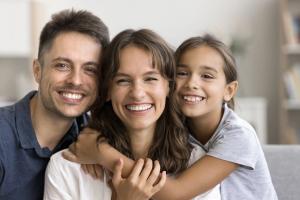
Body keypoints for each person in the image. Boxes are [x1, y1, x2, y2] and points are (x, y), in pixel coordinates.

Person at [64, 34, 278, 200]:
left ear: (229, 90)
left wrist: (103, 154)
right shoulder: (179, 127)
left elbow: (176, 193)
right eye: (183, 73)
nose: (192, 83)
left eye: (207, 76)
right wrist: (93, 134)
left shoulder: (239, 135)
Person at [44, 29, 221, 200]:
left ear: (169, 86)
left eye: (150, 79)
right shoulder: (66, 167)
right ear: (107, 91)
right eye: (123, 80)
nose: (137, 93)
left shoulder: (196, 166)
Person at [0, 9, 109, 200]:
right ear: (37, 70)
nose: (76, 80)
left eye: (90, 69)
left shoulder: (94, 136)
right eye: (62, 65)